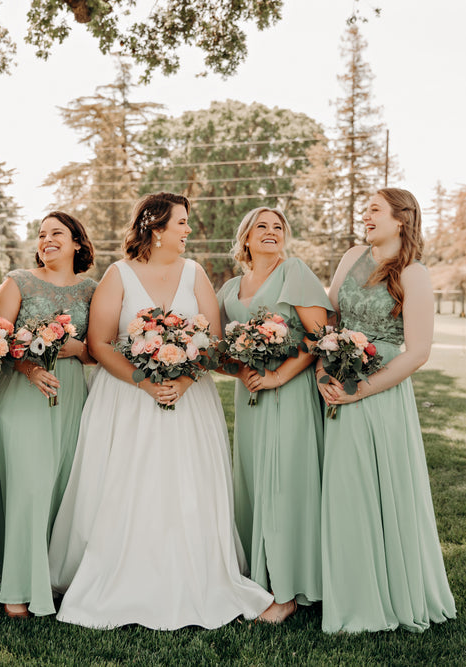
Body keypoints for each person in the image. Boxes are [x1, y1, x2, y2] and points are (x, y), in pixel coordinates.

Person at [49, 192, 273, 630]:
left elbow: (212, 338)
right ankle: (118, 572)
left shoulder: (195, 273)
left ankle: (195, 571)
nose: (188, 230)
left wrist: (184, 380)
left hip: (190, 399)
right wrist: (146, 382)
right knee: (127, 483)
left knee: (186, 483)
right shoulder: (119, 275)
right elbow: (99, 343)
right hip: (128, 397)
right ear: (156, 227)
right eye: (182, 223)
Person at [317, 188, 456, 632]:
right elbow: (330, 319)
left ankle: (385, 594)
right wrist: (326, 369)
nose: (366, 215)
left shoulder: (414, 274)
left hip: (380, 393)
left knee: (379, 488)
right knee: (343, 489)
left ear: (401, 219)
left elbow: (418, 353)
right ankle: (349, 587)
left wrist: (362, 390)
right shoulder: (353, 255)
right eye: (366, 209)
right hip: (339, 379)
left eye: (375, 209)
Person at [216, 207, 332, 623]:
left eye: (277, 227)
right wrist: (241, 368)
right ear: (245, 238)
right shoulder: (231, 287)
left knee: (285, 481)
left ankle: (288, 590)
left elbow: (320, 336)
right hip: (250, 397)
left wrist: (279, 376)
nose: (270, 232)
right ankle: (258, 575)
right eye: (261, 227)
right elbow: (216, 345)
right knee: (253, 479)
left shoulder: (295, 271)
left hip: (289, 392)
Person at [0, 212, 97, 618]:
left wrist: (77, 349)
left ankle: (51, 577)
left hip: (71, 397)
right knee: (29, 487)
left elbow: (100, 348)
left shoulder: (91, 290)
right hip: (22, 392)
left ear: (77, 244)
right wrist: (31, 366)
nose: (46, 240)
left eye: (57, 234)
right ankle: (16, 590)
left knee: (62, 488)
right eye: (41, 234)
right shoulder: (18, 281)